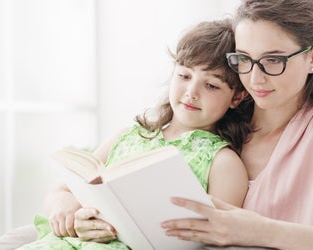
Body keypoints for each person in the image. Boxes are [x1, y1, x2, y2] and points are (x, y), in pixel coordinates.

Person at [160, 0, 313, 249]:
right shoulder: (218, 112)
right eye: (244, 59)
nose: (255, 78)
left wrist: (260, 230)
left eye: (274, 60)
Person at [17, 18, 251, 249]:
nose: (191, 92)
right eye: (184, 76)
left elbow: (220, 236)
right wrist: (69, 211)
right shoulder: (130, 136)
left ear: (236, 97)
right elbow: (62, 192)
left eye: (211, 85)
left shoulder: (223, 163)